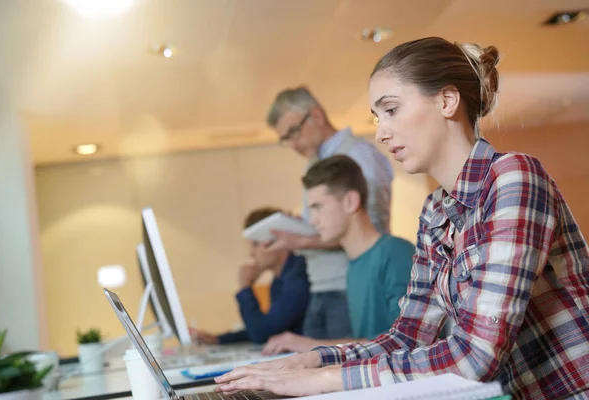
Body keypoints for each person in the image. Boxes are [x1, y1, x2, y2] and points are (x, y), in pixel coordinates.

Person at [214, 37, 589, 399]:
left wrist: (326, 380)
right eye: (377, 117)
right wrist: (313, 360)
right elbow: (407, 337)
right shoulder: (435, 211)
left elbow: (476, 356)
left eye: (391, 110)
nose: (380, 132)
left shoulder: (513, 177)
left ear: (447, 100)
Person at [265, 86, 394, 340]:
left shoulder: (358, 154)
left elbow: (368, 229)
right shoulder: (317, 162)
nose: (292, 144)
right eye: (285, 138)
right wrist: (303, 228)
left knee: (340, 372)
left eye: (293, 132)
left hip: (347, 286)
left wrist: (301, 240)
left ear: (317, 116)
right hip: (321, 285)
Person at [262, 155, 414, 355]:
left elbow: (407, 342)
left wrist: (310, 346)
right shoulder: (353, 266)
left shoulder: (396, 253)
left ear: (350, 201)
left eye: (318, 207)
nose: (313, 221)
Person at [191, 207, 310, 345]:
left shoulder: (299, 276)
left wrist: (245, 287)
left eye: (255, 244)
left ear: (277, 240)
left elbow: (261, 333)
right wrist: (219, 339)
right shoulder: (280, 280)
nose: (251, 254)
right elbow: (269, 326)